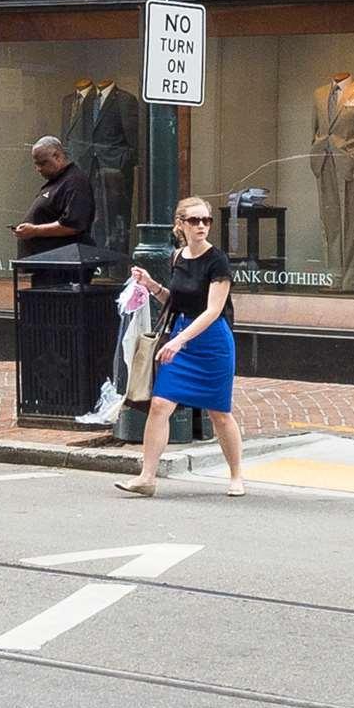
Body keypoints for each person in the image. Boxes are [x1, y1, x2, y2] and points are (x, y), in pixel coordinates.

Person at [117, 197, 245, 498]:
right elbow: (174, 302)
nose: (201, 226)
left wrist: (178, 340)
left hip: (212, 341)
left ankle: (237, 475)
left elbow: (213, 310)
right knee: (160, 405)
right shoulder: (177, 257)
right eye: (194, 221)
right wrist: (151, 285)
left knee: (219, 413)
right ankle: (147, 476)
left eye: (206, 221)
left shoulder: (218, 260)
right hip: (181, 336)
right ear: (181, 225)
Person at [12, 135, 96, 254]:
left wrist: (35, 230)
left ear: (57, 156)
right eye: (36, 164)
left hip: (58, 265)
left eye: (42, 163)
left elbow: (73, 225)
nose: (38, 169)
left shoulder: (75, 181)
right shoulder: (56, 181)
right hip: (40, 263)